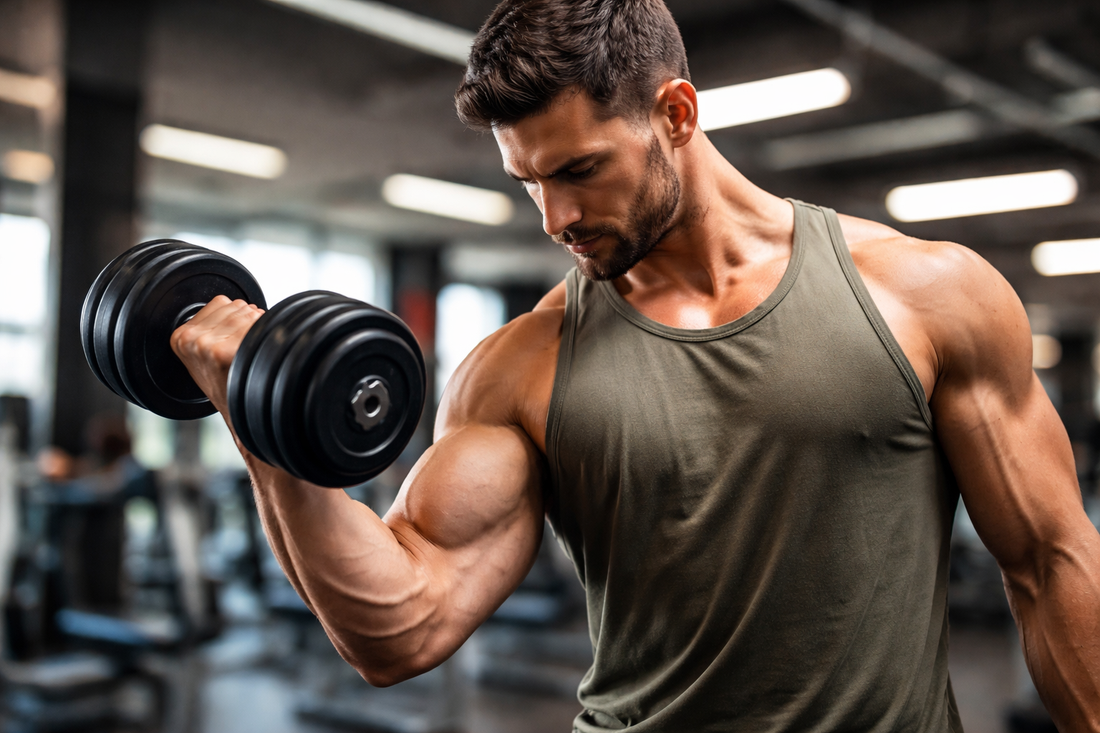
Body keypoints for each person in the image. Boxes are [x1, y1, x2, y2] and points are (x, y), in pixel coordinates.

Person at [170, 0, 1100, 729]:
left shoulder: (926, 294)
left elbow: (1050, 564)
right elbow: (399, 625)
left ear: (676, 112)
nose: (552, 218)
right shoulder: (523, 365)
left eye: (578, 169)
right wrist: (260, 418)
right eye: (528, 181)